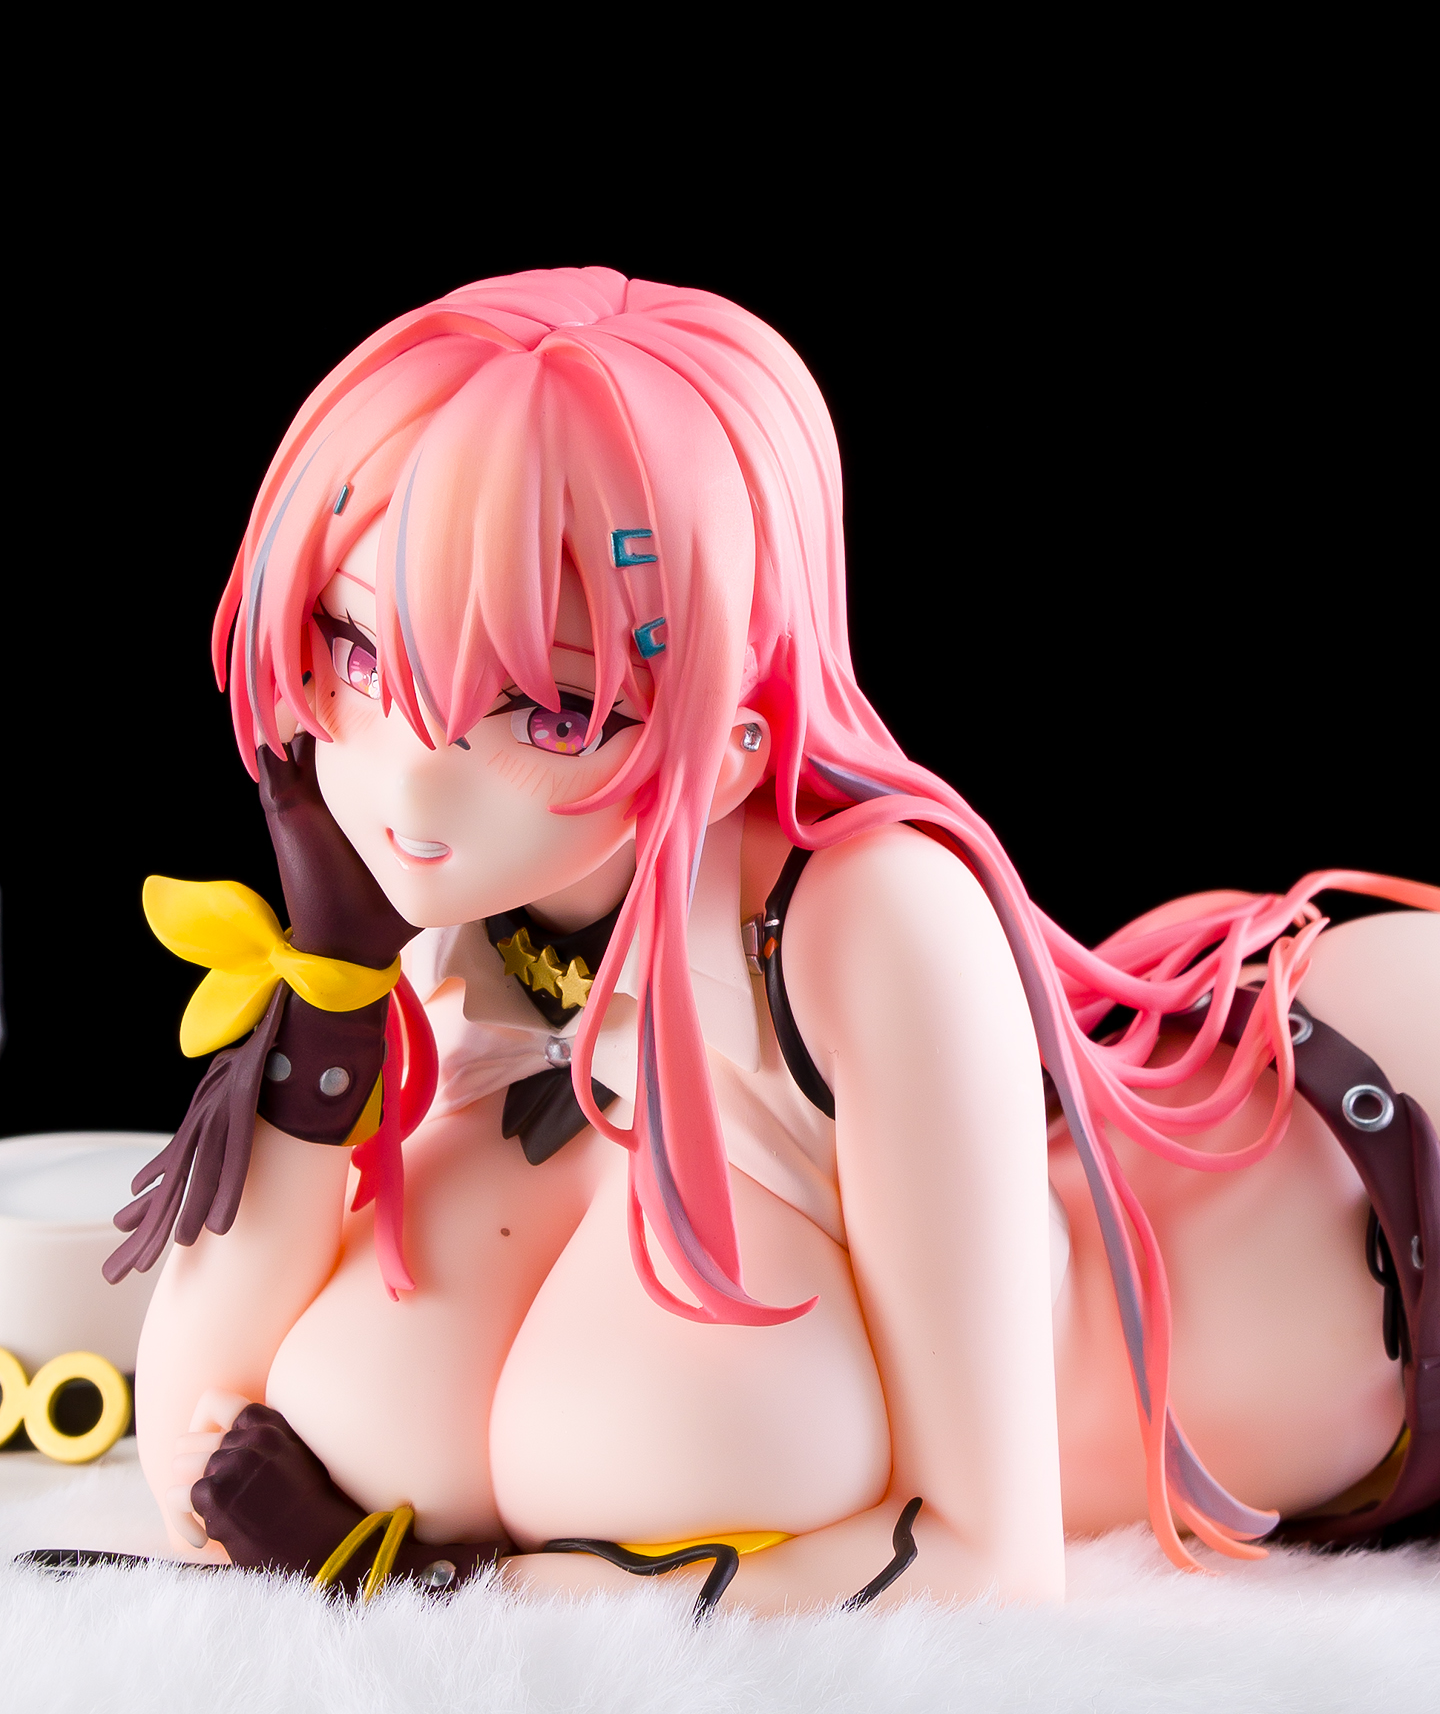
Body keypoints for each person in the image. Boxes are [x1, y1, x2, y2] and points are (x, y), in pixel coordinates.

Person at [109, 268, 1439, 1612]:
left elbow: (991, 1568)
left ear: (736, 734)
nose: (408, 784)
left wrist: (447, 1593)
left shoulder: (871, 923)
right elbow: (198, 1447)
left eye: (554, 712)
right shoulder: (471, 939)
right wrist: (335, 979)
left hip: (1374, 1152)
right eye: (355, 648)